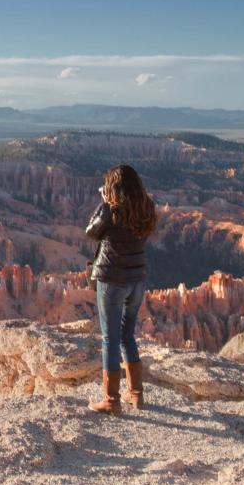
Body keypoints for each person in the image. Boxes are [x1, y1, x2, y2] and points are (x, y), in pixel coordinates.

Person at [84, 164, 157, 416]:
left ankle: (111, 400)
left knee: (110, 338)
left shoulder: (110, 211)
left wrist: (104, 203)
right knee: (127, 335)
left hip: (112, 280)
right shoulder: (145, 207)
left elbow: (91, 232)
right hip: (137, 280)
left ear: (112, 187)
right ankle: (136, 395)